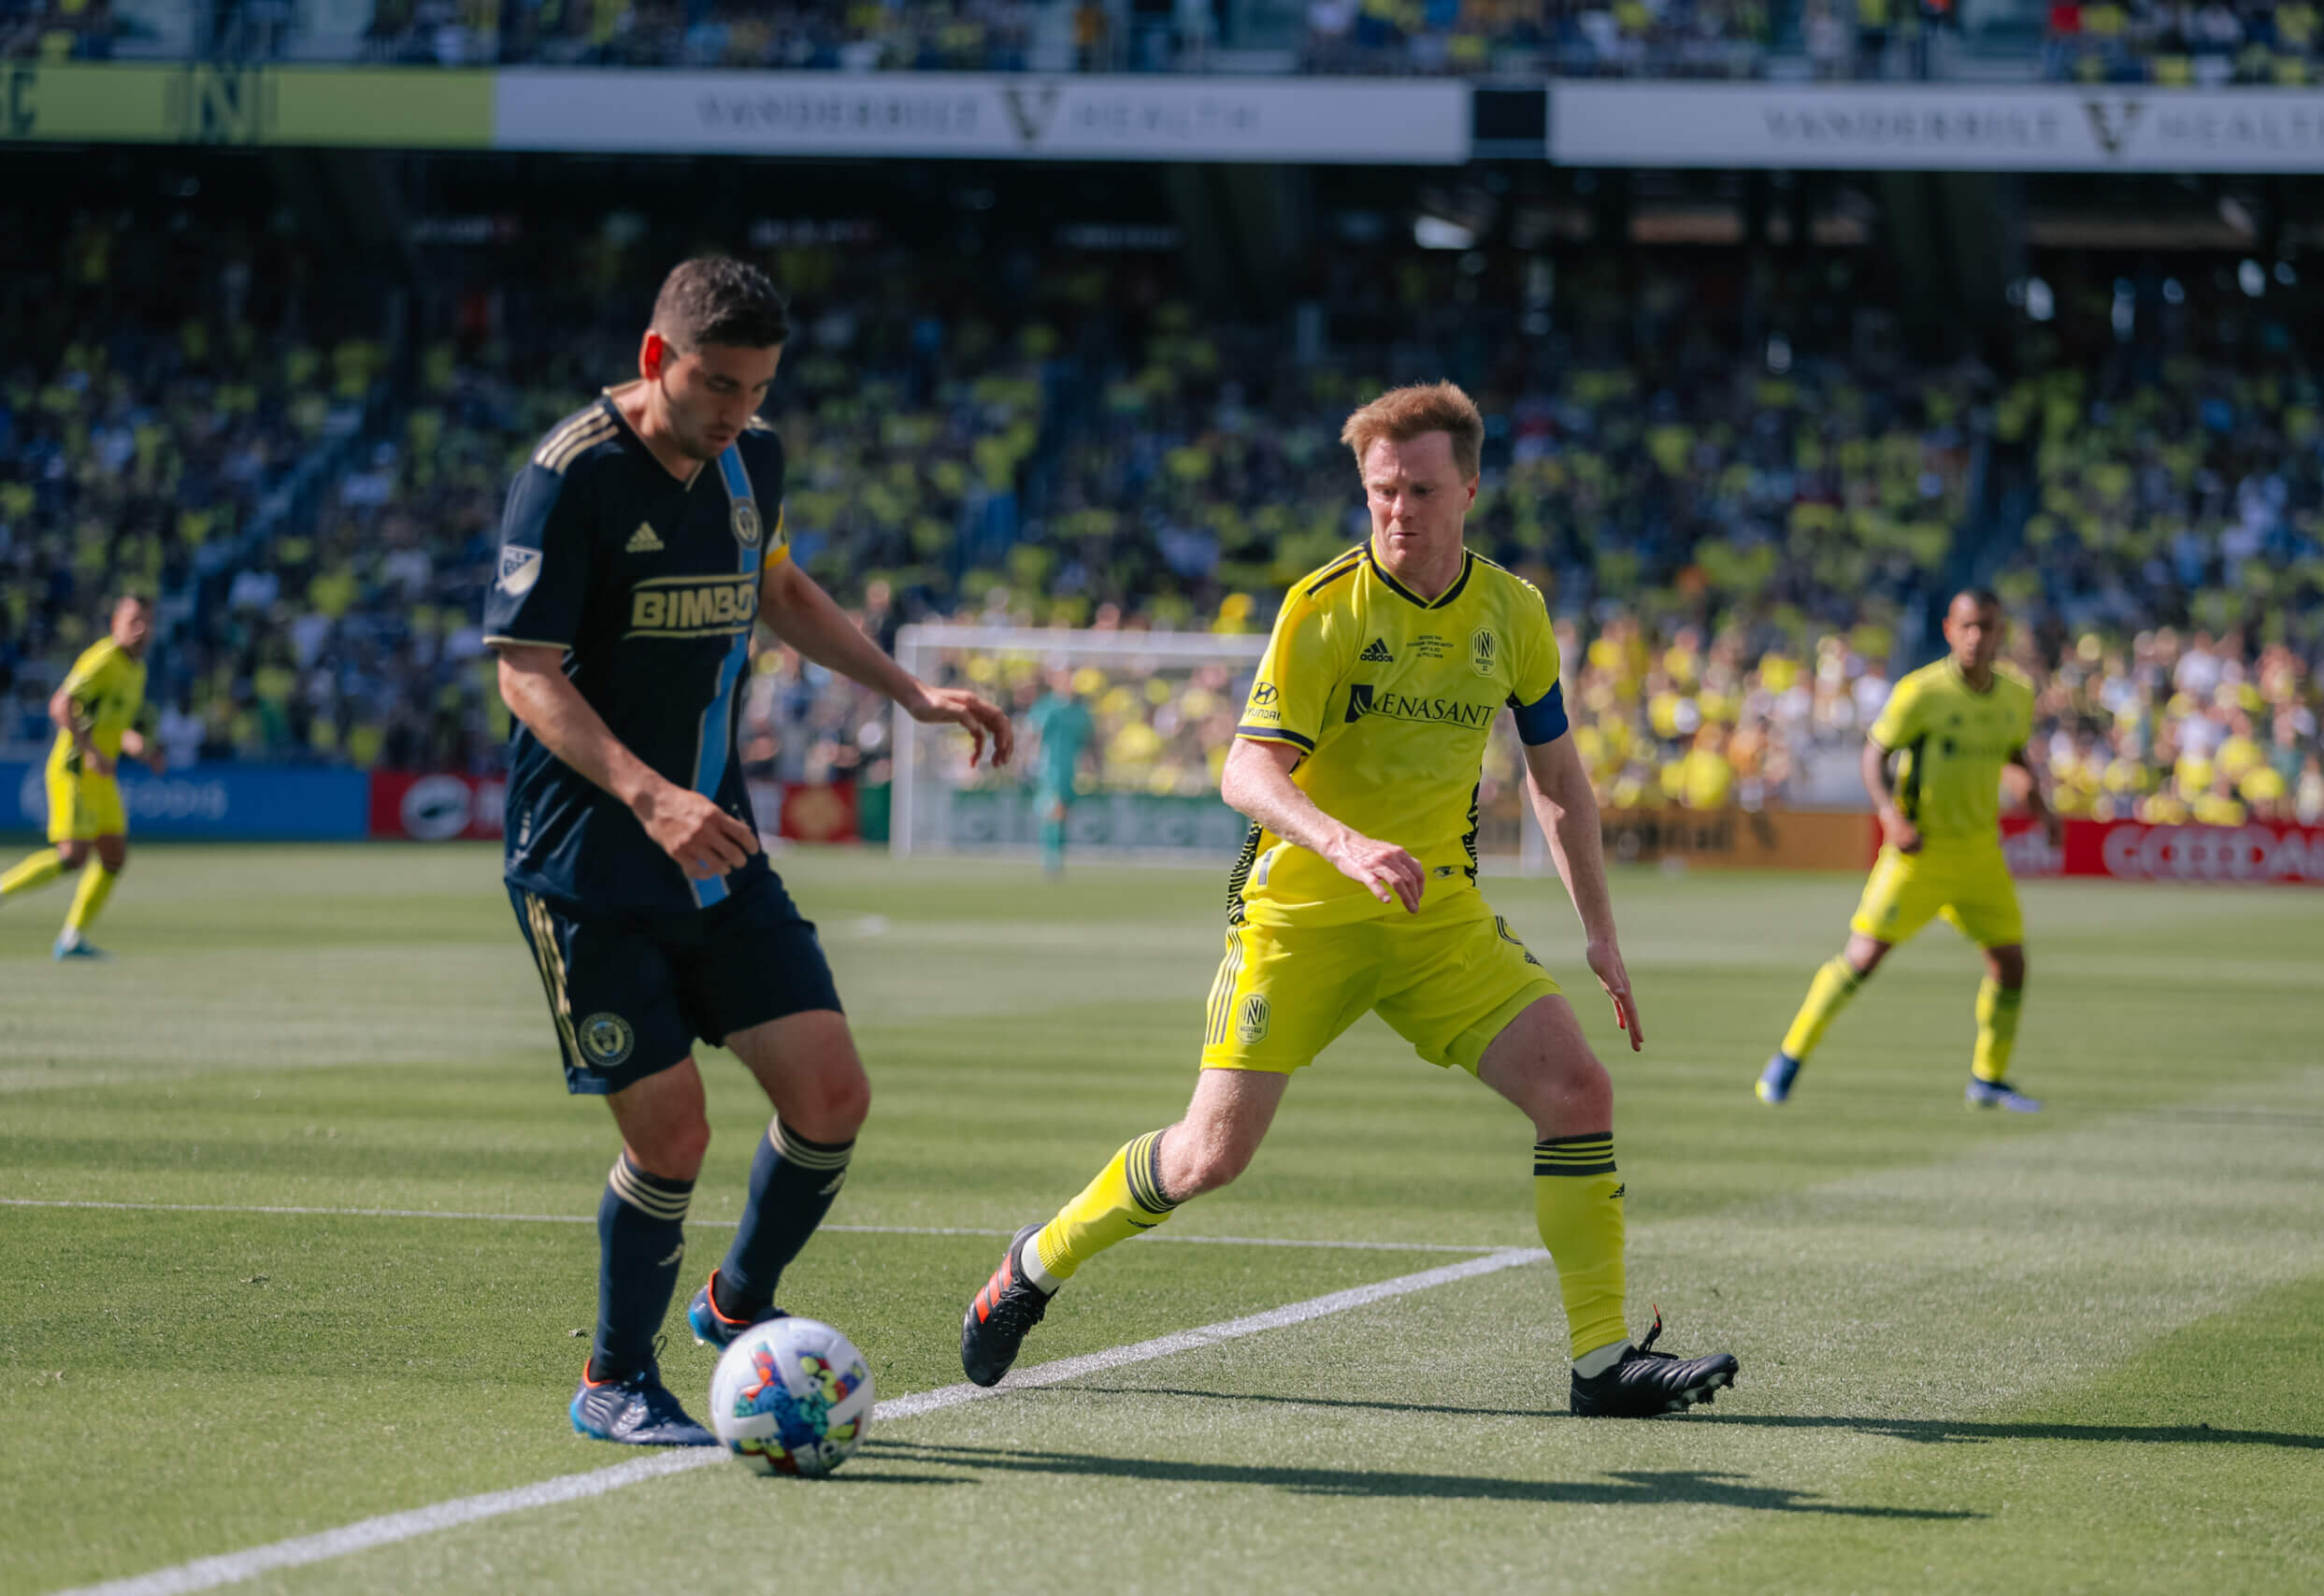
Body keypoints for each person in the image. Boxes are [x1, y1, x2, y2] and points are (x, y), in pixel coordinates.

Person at [958, 382, 1737, 1418]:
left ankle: (1601, 1366)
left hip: (1435, 922)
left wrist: (1601, 937)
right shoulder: (1323, 609)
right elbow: (1244, 771)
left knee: (1578, 1094)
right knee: (1207, 1157)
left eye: (1419, 489)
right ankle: (1034, 1263)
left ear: (1469, 487)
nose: (1397, 511)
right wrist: (1339, 838)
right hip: (1302, 918)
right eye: (1379, 491)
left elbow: (1556, 781)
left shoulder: (1515, 613)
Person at [483, 257, 1011, 1447]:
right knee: (671, 1136)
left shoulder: (748, 459)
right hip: (587, 867)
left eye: (757, 387)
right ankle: (614, 1379)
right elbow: (526, 671)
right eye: (716, 384)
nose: (734, 412)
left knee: (831, 1096)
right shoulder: (568, 480)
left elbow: (775, 587)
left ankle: (736, 1307)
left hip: (716, 849)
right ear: (656, 356)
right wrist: (648, 794)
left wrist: (907, 691)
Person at [1757, 590, 2058, 1112]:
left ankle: (1988, 1078)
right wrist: (1889, 814)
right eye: (1966, 626)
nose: (1976, 637)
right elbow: (1875, 756)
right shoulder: (1921, 692)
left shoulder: (2016, 695)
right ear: (1948, 629)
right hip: (1920, 854)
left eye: (1986, 627)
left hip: (1980, 855)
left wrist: (2040, 805)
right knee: (1862, 959)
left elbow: (2012, 753)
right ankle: (1787, 1060)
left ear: (2000, 632)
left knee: (2011, 965)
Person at [0, 593, 165, 960]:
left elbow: (115, 727)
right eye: (133, 621)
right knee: (73, 856)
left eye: (147, 622)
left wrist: (142, 749)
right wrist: (91, 751)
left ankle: (72, 938)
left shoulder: (137, 670)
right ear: (115, 624)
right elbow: (60, 705)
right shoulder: (102, 659)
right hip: (75, 769)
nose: (141, 629)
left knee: (113, 857)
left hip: (101, 776)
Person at [1026, 667, 1095, 876]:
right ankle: (1051, 857)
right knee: (1054, 810)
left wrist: (1090, 764)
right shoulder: (1046, 706)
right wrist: (1029, 759)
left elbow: (1088, 741)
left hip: (1070, 768)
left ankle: (1056, 854)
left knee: (1062, 811)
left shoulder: (1080, 710)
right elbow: (1033, 734)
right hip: (1050, 766)